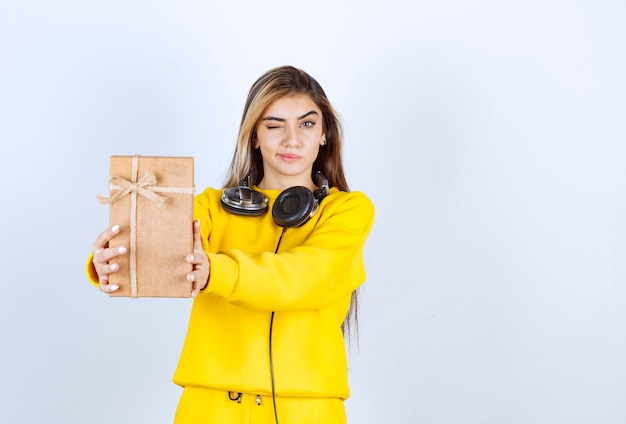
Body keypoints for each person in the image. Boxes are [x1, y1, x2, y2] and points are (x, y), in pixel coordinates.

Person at [87, 65, 375, 423]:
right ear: (254, 136)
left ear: (324, 134)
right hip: (209, 409)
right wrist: (113, 261)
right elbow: (156, 248)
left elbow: (308, 277)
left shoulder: (347, 210)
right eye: (273, 125)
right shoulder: (210, 208)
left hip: (308, 410)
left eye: (306, 124)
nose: (292, 140)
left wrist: (216, 272)